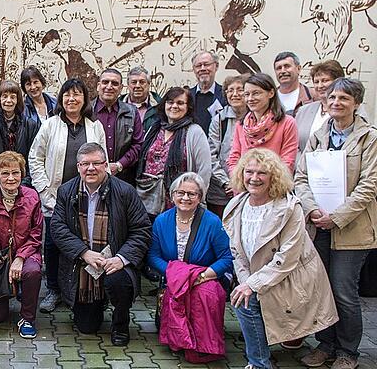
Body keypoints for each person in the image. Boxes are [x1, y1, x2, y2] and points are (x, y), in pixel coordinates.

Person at [224, 148, 338, 369]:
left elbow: (287, 257)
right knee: (242, 300)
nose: (254, 178)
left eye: (262, 173)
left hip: (291, 278)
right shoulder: (236, 206)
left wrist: (252, 284)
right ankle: (259, 362)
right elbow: (237, 253)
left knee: (249, 300)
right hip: (260, 276)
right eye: (249, 171)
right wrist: (246, 282)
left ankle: (261, 362)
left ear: (273, 177)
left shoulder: (289, 207)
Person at [295, 78, 377, 369]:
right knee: (321, 288)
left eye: (343, 98)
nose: (336, 103)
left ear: (356, 102)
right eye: (331, 98)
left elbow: (370, 185)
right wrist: (312, 209)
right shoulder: (319, 135)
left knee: (343, 290)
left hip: (351, 229)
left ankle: (347, 352)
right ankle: (325, 344)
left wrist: (338, 216)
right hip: (319, 224)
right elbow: (301, 177)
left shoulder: (370, 138)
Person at [51, 142, 152, 345]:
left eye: (96, 163)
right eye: (85, 164)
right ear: (78, 166)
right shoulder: (66, 191)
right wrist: (83, 253)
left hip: (114, 261)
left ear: (106, 165)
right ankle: (97, 302)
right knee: (87, 327)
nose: (91, 168)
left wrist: (121, 259)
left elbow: (142, 230)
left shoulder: (125, 192)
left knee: (118, 282)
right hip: (83, 266)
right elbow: (57, 229)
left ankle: (120, 323)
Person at [29, 78, 107, 313]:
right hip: (56, 197)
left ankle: (80, 289)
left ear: (85, 99)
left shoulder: (95, 127)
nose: (71, 99)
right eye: (67, 95)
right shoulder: (50, 125)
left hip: (88, 196)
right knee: (53, 244)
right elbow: (35, 157)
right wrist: (44, 190)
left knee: (84, 243)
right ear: (61, 99)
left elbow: (103, 162)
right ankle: (53, 289)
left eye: (77, 95)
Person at [147, 172, 232, 362]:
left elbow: (226, 258)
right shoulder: (161, 221)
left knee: (205, 294)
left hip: (205, 277)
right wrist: (175, 274)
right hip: (174, 279)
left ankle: (204, 345)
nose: (185, 198)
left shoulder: (212, 222)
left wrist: (202, 276)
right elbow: (152, 256)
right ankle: (180, 340)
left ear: (200, 197)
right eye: (181, 192)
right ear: (172, 194)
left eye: (192, 194)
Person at [0, 152, 43, 338]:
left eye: (16, 173)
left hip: (27, 252)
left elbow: (36, 234)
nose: (11, 178)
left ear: (22, 174)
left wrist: (20, 258)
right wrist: (1, 262)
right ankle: (12, 290)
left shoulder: (32, 197)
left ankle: (27, 318)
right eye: (5, 173)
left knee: (32, 271)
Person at [136, 87, 211, 218]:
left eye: (180, 103)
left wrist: (195, 198)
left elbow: (204, 170)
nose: (174, 106)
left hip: (179, 201)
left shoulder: (194, 132)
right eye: (170, 102)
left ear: (188, 107)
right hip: (148, 198)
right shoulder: (155, 128)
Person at [227, 73, 299, 174]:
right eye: (247, 94)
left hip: (276, 185)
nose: (250, 99)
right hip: (245, 186)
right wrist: (240, 182)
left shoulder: (287, 123)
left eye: (256, 93)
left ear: (271, 93)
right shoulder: (241, 125)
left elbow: (288, 161)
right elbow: (234, 158)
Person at [0, 80, 40, 190]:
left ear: (18, 100)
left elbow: (35, 157)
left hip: (23, 185)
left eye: (13, 97)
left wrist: (23, 184)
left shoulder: (30, 125)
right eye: (4, 96)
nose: (8, 101)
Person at [91, 68, 143, 184]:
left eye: (114, 83)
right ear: (98, 86)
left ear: (121, 88)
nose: (109, 87)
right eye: (105, 82)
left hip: (123, 178)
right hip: (91, 177)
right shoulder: (87, 112)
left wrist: (119, 165)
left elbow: (138, 145)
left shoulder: (132, 112)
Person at [207, 75, 248, 217]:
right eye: (230, 90)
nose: (235, 94)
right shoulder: (219, 120)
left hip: (251, 188)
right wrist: (226, 182)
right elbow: (211, 155)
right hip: (221, 192)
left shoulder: (257, 118)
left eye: (240, 89)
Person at [294, 60, 346, 154]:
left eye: (325, 81)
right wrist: (301, 164)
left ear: (338, 82)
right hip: (303, 166)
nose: (320, 86)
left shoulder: (351, 110)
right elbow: (294, 144)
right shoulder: (303, 111)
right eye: (316, 82)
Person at [190, 51, 227, 135]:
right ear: (194, 69)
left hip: (218, 146)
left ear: (216, 66)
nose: (202, 68)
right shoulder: (187, 96)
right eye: (198, 66)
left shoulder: (225, 95)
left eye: (206, 64)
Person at [122, 66, 161, 131]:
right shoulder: (117, 106)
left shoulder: (160, 106)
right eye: (134, 82)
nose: (138, 86)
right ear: (128, 85)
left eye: (142, 82)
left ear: (149, 85)